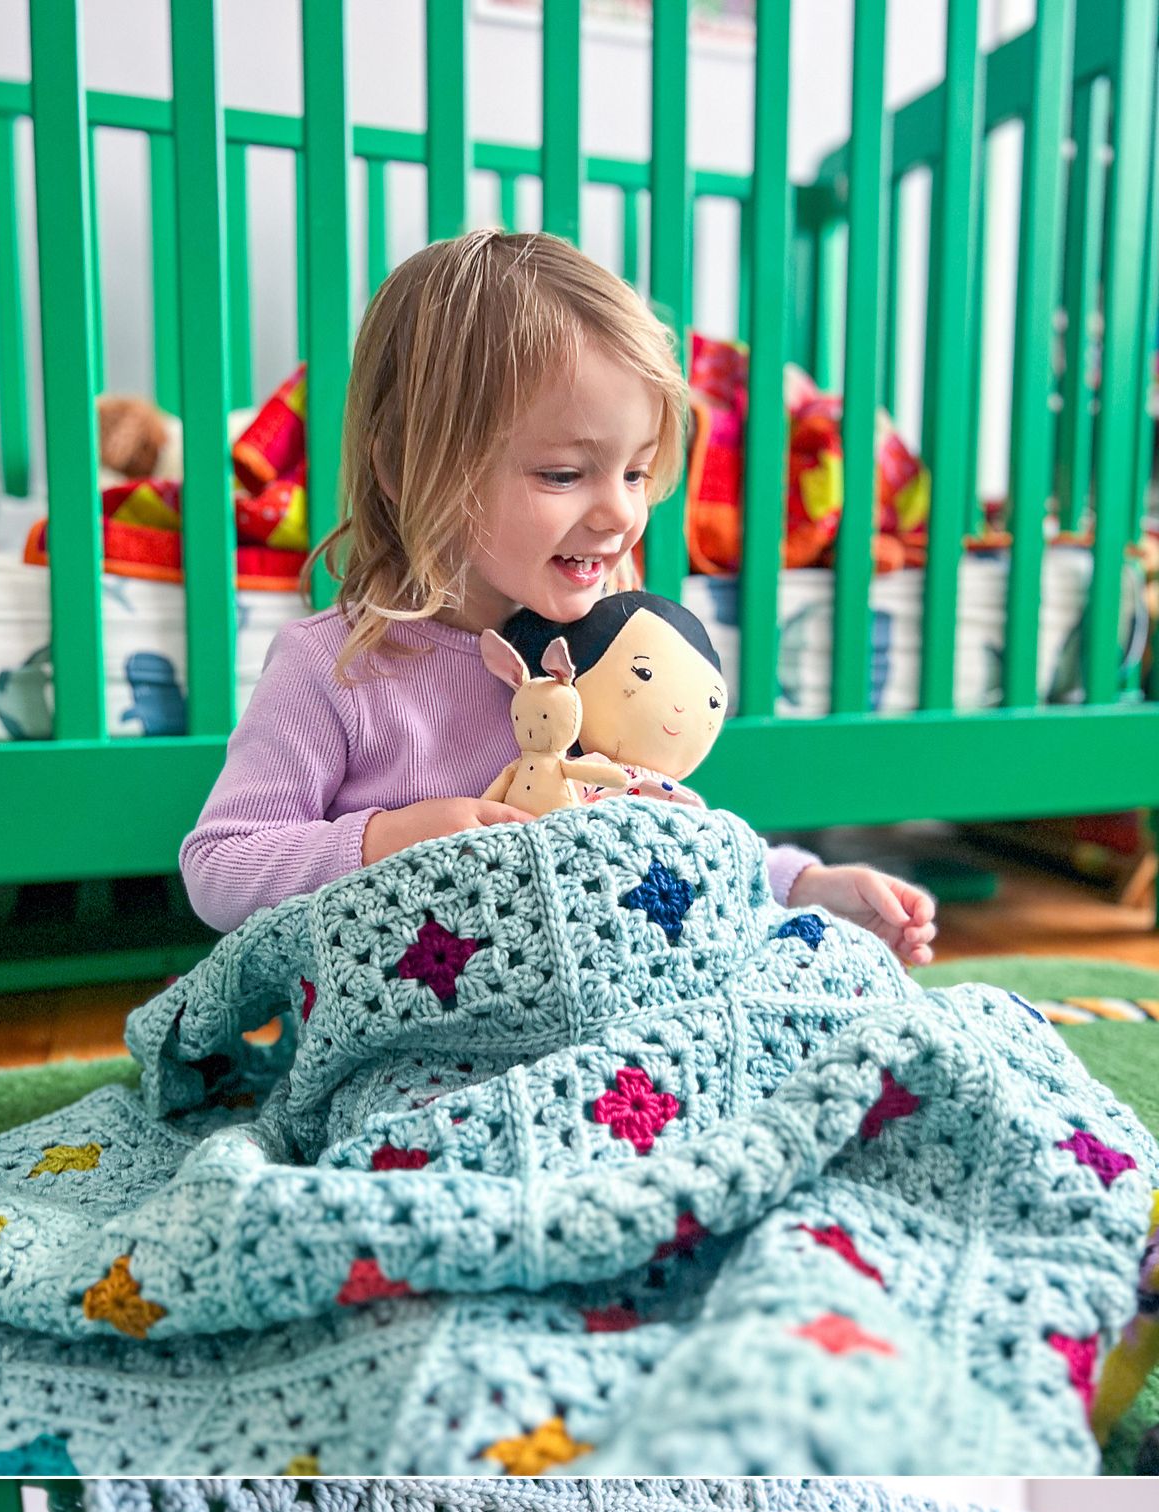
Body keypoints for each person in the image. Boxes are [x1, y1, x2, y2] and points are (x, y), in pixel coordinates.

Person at [180, 228, 935, 967]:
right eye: (564, 475)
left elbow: (662, 829)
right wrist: (384, 840)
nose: (619, 515)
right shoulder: (332, 666)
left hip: (588, 996)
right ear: (408, 470)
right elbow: (219, 866)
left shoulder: (603, 648)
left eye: (636, 474)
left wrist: (809, 886)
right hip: (418, 1013)